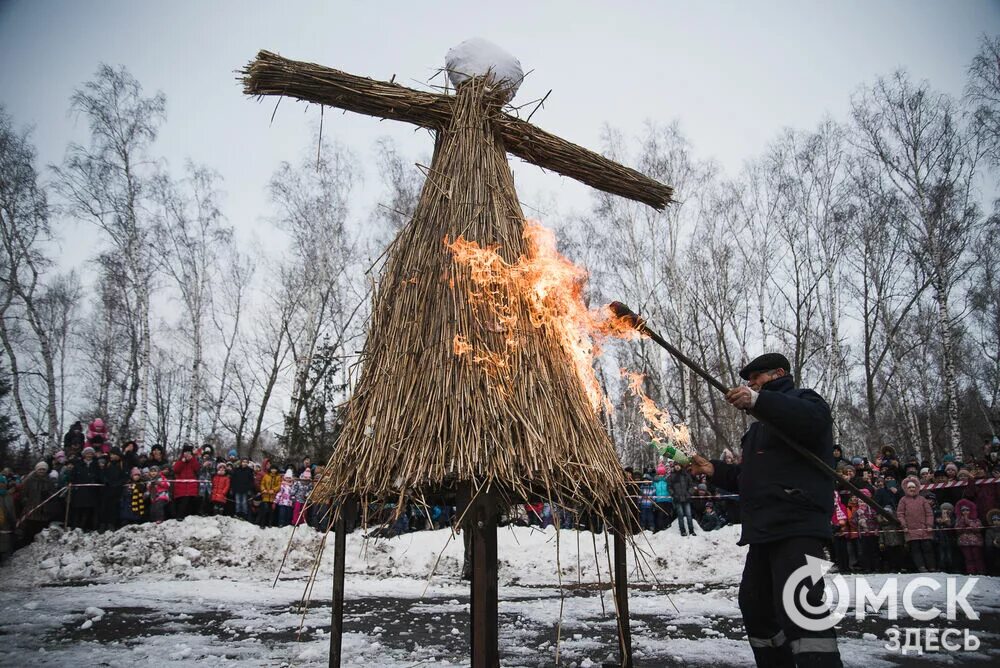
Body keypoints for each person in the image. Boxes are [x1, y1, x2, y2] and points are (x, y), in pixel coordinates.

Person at [689, 352, 843, 667]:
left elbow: (812, 421)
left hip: (797, 524)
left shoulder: (804, 402)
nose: (749, 384)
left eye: (755, 378)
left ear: (778, 373)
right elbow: (750, 478)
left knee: (800, 606)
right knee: (756, 606)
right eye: (748, 381)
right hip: (764, 530)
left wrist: (759, 401)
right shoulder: (760, 429)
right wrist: (713, 469)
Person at [896, 476, 935, 572]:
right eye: (909, 487)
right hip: (911, 530)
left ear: (917, 487)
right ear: (905, 488)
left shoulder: (922, 499)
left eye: (913, 487)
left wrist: (929, 525)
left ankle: (931, 566)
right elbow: (900, 514)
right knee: (915, 550)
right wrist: (904, 525)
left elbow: (929, 513)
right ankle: (921, 567)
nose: (911, 489)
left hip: (925, 529)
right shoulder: (903, 500)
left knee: (927, 548)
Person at [172, 445, 201, 520]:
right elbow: (176, 470)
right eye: (186, 452)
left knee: (191, 501)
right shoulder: (180, 461)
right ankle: (180, 516)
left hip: (191, 486)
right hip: (181, 486)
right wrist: (182, 462)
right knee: (182, 501)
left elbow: (197, 468)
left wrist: (192, 459)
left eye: (189, 452)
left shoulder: (194, 460)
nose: (187, 454)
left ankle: (190, 516)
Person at [668, 462, 695, 537]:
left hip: (686, 498)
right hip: (677, 499)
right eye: (676, 465)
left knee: (689, 515)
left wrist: (689, 493)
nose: (677, 467)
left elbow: (691, 486)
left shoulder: (686, 475)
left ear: (681, 466)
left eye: (678, 465)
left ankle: (691, 530)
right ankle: (682, 531)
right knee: (680, 515)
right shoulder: (671, 476)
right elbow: (669, 487)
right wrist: (673, 494)